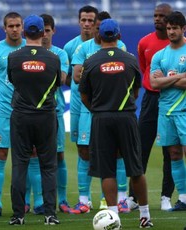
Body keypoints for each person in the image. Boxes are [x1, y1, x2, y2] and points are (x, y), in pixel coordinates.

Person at [79, 19, 153, 228]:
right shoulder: (130, 60)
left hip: (101, 118)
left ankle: (113, 218)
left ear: (99, 36)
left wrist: (98, 108)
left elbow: (84, 95)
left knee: (107, 170)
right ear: (119, 36)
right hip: (127, 117)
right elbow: (136, 91)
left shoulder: (91, 61)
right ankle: (145, 216)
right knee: (136, 169)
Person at [72, 11, 129, 213]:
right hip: (89, 109)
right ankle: (84, 200)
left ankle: (119, 199)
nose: (101, 31)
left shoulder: (120, 47)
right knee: (84, 152)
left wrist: (94, 72)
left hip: (112, 106)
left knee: (117, 153)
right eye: (98, 27)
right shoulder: (82, 48)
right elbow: (77, 77)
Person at [7, 14, 61, 225]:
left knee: (20, 164)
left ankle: (18, 215)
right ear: (41, 32)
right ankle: (50, 214)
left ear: (24, 31)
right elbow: (58, 82)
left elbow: (13, 81)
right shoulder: (53, 58)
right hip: (46, 115)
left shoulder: (14, 57)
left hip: (21, 115)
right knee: (48, 166)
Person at [128, 3, 175, 211]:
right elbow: (144, 69)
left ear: (170, 19)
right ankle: (133, 197)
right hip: (150, 100)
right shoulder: (144, 42)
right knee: (140, 149)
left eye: (162, 16)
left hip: (172, 100)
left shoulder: (179, 46)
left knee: (170, 150)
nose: (157, 19)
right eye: (155, 15)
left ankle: (166, 196)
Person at [24, 13, 70, 214]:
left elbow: (61, 80)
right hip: (30, 111)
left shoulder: (60, 54)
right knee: (31, 157)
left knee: (58, 156)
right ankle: (33, 201)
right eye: (43, 31)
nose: (44, 36)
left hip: (54, 111)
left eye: (48, 31)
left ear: (51, 31)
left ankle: (63, 199)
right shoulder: (24, 53)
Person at [0, 12, 26, 217]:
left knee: (30, 155)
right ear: (4, 28)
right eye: (11, 26)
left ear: (23, 27)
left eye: (18, 25)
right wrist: (3, 97)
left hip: (26, 111)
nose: (15, 29)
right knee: (0, 154)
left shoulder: (31, 49)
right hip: (2, 111)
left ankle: (27, 203)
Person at [63, 5, 98, 214]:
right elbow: (67, 77)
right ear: (79, 22)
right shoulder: (70, 47)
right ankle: (85, 199)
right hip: (77, 105)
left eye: (90, 21)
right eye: (83, 20)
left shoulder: (106, 45)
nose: (86, 24)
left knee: (108, 150)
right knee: (82, 149)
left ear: (96, 23)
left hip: (101, 105)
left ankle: (107, 199)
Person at [150, 11, 186, 212]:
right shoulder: (159, 55)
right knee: (173, 154)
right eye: (169, 28)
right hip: (166, 112)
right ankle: (183, 197)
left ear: (183, 29)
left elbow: (161, 81)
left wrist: (166, 79)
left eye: (175, 28)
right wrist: (179, 76)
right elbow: (154, 83)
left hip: (185, 111)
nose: (171, 31)